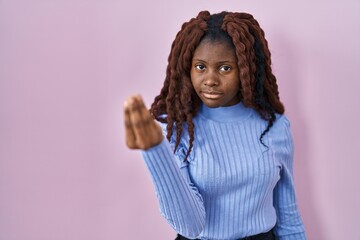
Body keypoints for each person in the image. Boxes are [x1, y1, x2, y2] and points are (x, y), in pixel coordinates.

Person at [124, 10, 306, 240]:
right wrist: (155, 151)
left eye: (225, 68)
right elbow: (190, 226)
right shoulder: (177, 129)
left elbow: (288, 218)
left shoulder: (274, 126)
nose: (210, 80)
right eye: (200, 66)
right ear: (187, 68)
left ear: (246, 70)